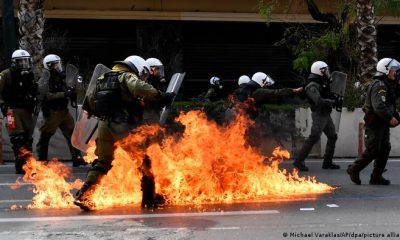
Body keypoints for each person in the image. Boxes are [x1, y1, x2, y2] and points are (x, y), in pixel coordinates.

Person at [73, 55, 175, 211]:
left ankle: (84, 195)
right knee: (143, 160)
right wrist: (160, 95)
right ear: (137, 68)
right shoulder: (127, 76)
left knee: (102, 162)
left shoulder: (103, 78)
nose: (142, 77)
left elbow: (89, 102)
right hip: (121, 125)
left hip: (103, 126)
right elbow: (139, 87)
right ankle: (149, 199)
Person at [347, 58, 400, 185]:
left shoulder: (387, 84)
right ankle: (354, 169)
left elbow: (391, 99)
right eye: (393, 70)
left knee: (385, 148)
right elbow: (379, 106)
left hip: (382, 123)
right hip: (375, 123)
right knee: (373, 150)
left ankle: (376, 177)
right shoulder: (379, 85)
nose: (395, 72)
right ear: (386, 70)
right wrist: (390, 118)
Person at [36, 54, 86, 167]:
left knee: (72, 134)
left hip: (64, 111)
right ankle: (42, 160)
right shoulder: (45, 78)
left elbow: (70, 89)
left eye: (58, 63)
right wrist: (64, 94)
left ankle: (77, 158)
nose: (57, 66)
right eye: (54, 64)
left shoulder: (63, 77)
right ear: (48, 66)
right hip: (52, 112)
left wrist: (72, 91)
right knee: (45, 136)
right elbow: (45, 95)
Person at [293, 61, 340, 171]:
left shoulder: (320, 82)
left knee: (332, 136)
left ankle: (327, 162)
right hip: (319, 114)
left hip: (325, 114)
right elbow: (318, 101)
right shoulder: (312, 85)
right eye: (325, 70)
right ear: (320, 71)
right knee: (314, 137)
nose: (327, 72)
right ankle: (298, 162)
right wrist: (333, 102)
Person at [0, 49, 37, 174]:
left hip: (26, 110)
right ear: (14, 62)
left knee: (28, 138)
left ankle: (29, 165)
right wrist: (3, 105)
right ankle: (20, 166)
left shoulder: (29, 75)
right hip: (12, 110)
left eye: (25, 61)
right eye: (20, 61)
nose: (23, 64)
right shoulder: (6, 74)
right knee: (17, 138)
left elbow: (34, 90)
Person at [234, 72, 302, 106]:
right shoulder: (259, 92)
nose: (266, 86)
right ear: (260, 81)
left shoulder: (246, 91)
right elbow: (276, 92)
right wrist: (292, 90)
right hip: (248, 120)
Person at [143, 57, 167, 124]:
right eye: (157, 69)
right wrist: (163, 97)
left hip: (156, 109)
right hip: (149, 111)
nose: (159, 71)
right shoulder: (146, 81)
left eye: (159, 69)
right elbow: (147, 97)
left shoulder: (157, 81)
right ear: (150, 69)